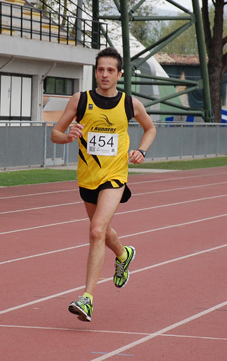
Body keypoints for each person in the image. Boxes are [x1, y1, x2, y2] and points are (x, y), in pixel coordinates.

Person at [51, 47, 156, 322]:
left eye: (111, 70)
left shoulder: (130, 104)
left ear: (120, 74)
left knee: (96, 230)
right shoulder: (80, 100)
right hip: (87, 178)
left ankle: (87, 298)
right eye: (101, 69)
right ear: (95, 72)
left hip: (115, 177)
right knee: (103, 230)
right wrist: (68, 136)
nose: (105, 74)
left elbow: (150, 128)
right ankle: (123, 254)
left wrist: (142, 151)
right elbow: (55, 133)